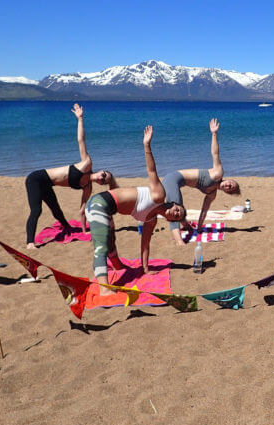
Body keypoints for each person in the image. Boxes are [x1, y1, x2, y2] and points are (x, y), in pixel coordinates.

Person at [85, 125, 185, 295]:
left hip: (108, 209)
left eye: (177, 217)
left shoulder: (151, 220)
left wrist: (145, 268)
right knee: (101, 246)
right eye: (178, 209)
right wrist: (147, 145)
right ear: (173, 203)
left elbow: (145, 244)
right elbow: (152, 170)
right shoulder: (159, 195)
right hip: (99, 204)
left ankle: (118, 267)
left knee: (110, 241)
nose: (176, 213)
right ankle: (104, 288)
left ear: (170, 221)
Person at [24, 103, 114, 250]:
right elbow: (81, 140)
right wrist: (80, 119)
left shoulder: (87, 187)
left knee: (56, 210)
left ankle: (66, 226)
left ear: (101, 184)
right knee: (36, 210)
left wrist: (84, 232)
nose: (102, 178)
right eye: (104, 174)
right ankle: (30, 243)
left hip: (48, 184)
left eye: (104, 180)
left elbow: (82, 211)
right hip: (36, 178)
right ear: (101, 171)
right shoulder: (86, 164)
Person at [162, 118, 241, 245]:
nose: (228, 185)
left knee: (179, 209)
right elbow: (215, 153)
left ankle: (187, 226)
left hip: (178, 183)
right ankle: (179, 241)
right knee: (175, 207)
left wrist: (199, 227)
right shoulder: (218, 173)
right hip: (172, 178)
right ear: (229, 179)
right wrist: (214, 134)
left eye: (230, 188)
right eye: (231, 183)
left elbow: (204, 210)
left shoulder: (212, 194)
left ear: (227, 192)